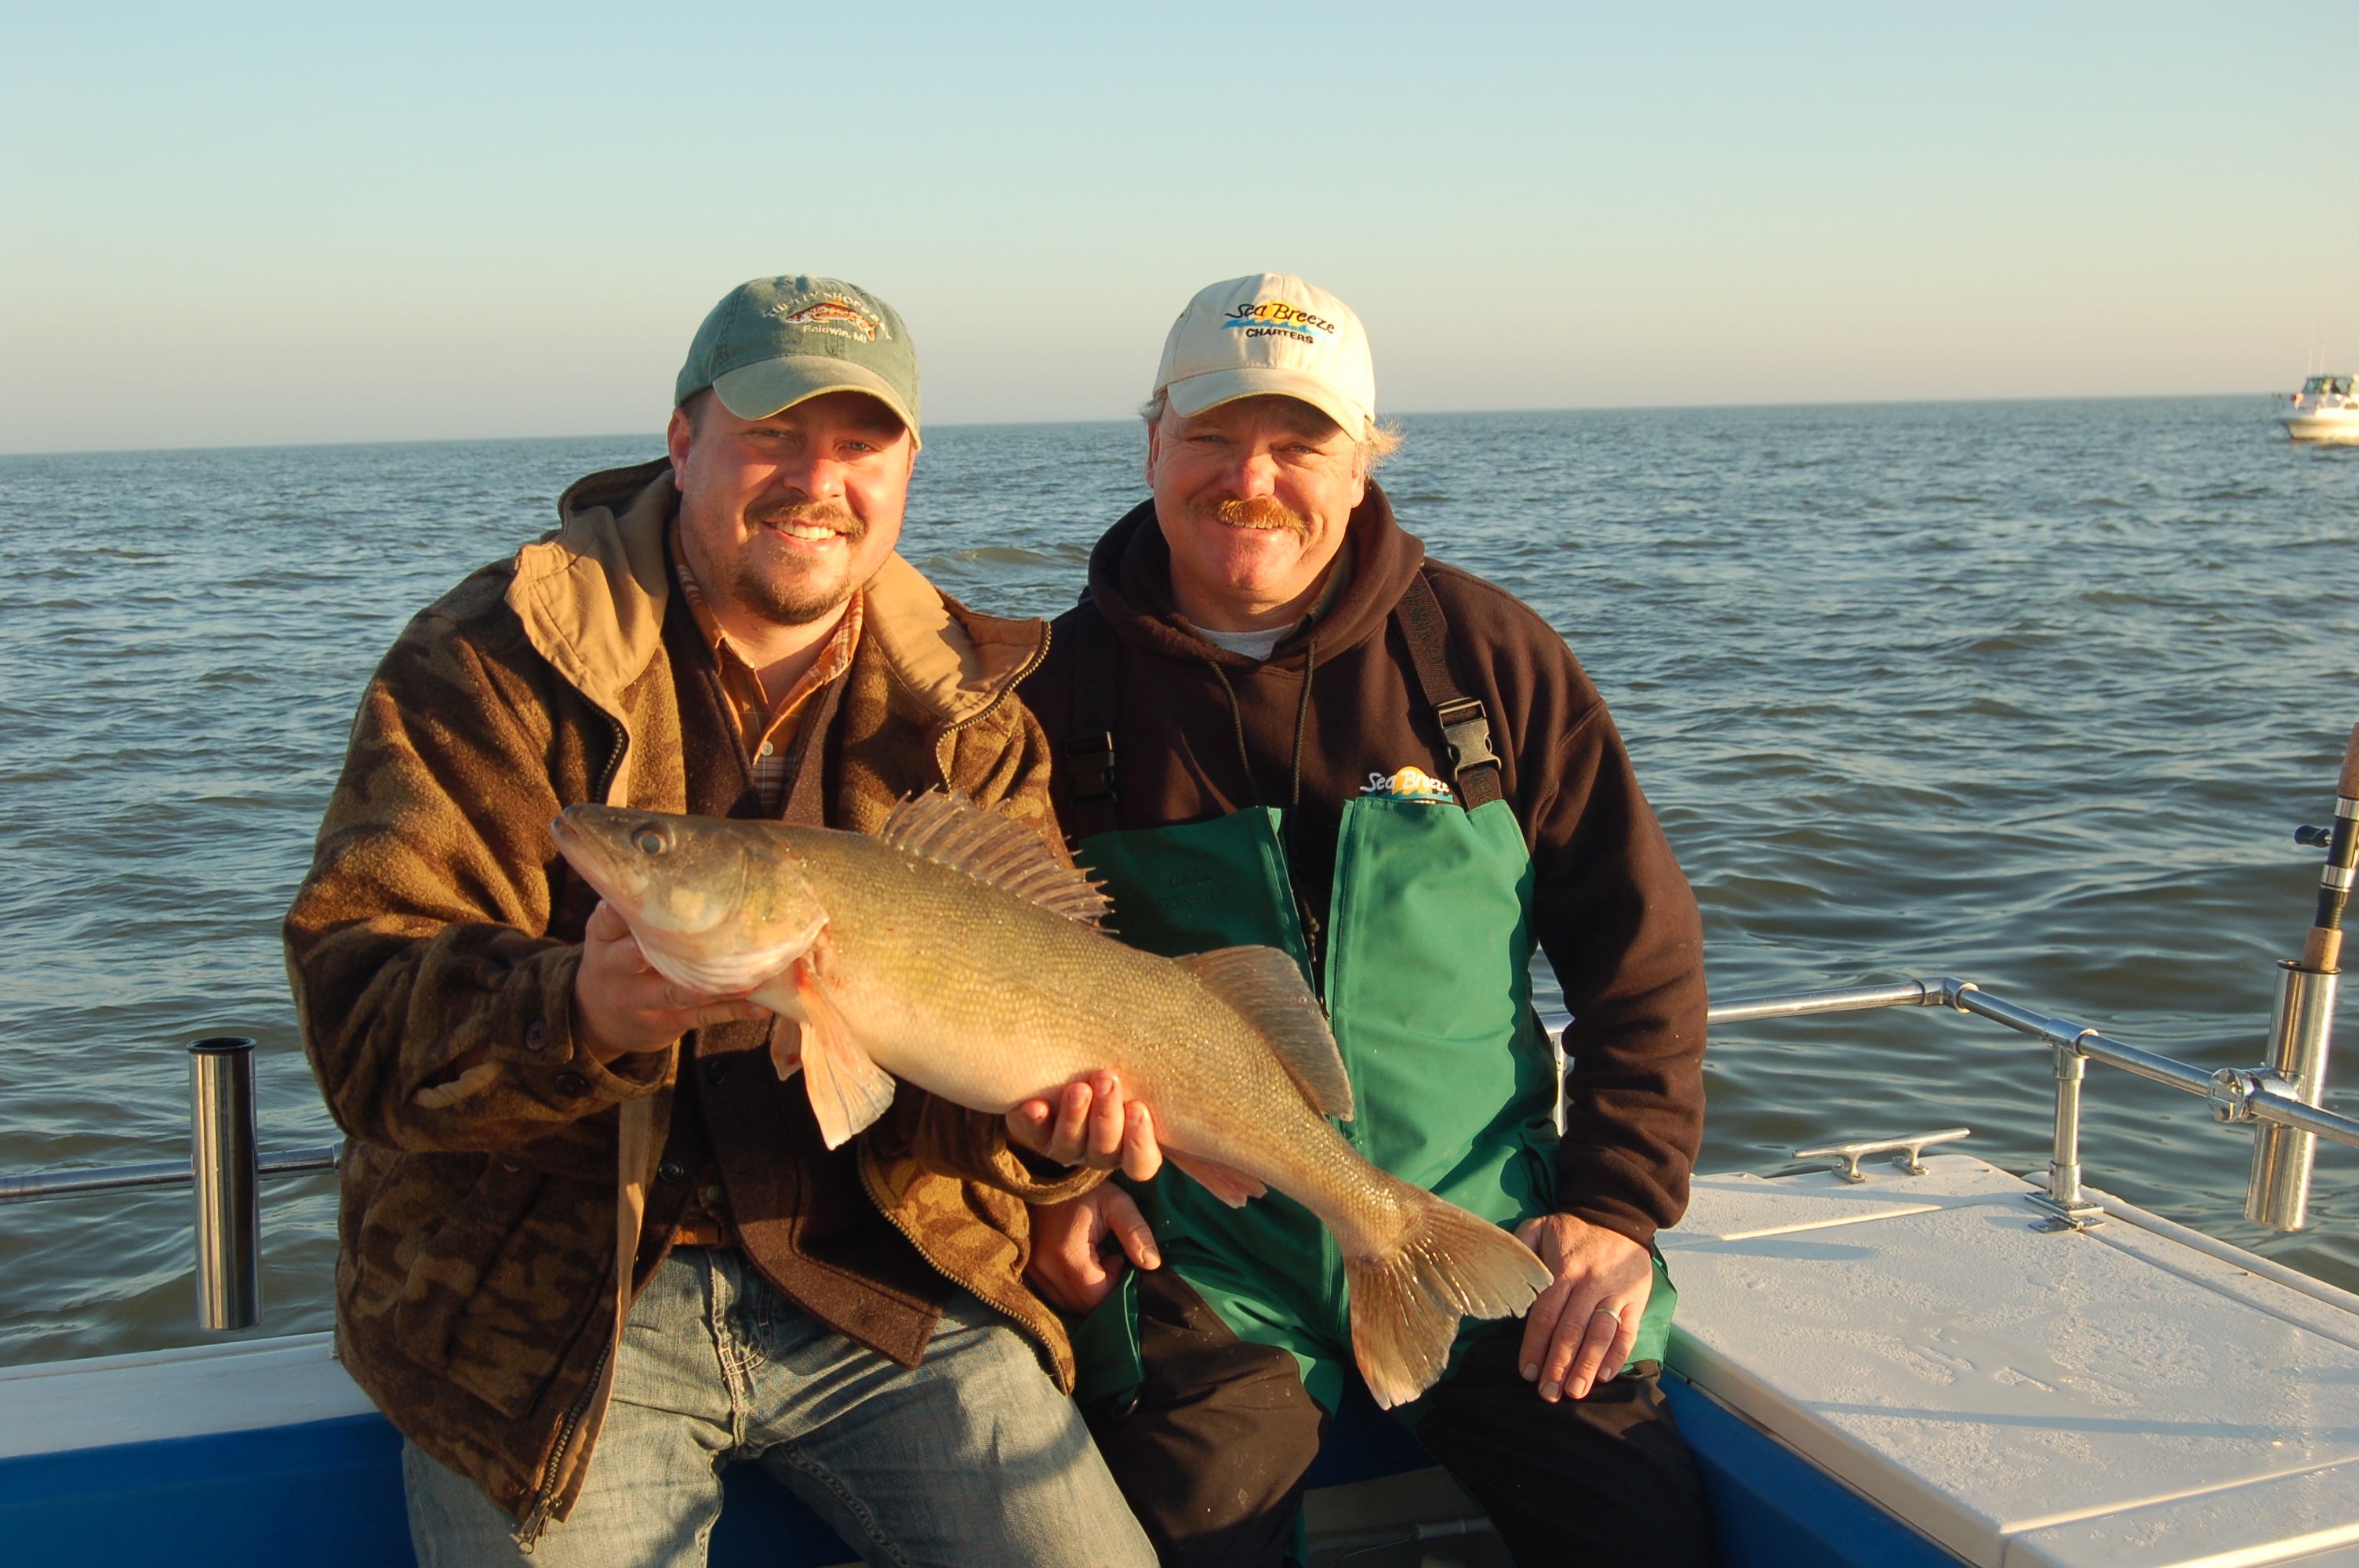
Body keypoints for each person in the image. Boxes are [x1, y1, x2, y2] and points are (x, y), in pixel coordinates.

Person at [284, 274, 1158, 1568]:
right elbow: (360, 1022)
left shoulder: (968, 720)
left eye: (860, 445)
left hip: (890, 1291)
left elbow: (997, 1046)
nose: (818, 480)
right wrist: (572, 1013)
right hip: (555, 1325)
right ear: (685, 443)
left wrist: (1047, 1148)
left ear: (908, 464)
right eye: (772, 436)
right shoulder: (487, 663)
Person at [1019, 274, 1717, 1566]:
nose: (1254, 478)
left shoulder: (1490, 661)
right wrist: (1048, 1185)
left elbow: (1644, 960)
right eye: (1215, 437)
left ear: (1363, 463)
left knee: (1648, 1533)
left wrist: (1616, 1208)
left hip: (1481, 1230)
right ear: (1152, 442)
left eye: (1301, 443)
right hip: (1207, 1262)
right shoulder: (1049, 698)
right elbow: (988, 992)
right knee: (1188, 1531)